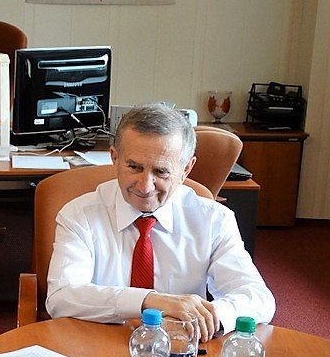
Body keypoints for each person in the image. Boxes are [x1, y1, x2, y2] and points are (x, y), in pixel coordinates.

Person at [45, 103, 275, 341]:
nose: (145, 187)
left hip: (179, 348)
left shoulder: (214, 220)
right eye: (134, 167)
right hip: (97, 343)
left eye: (161, 172)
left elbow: (258, 298)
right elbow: (61, 297)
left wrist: (206, 317)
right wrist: (151, 301)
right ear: (115, 158)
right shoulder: (79, 214)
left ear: (186, 169)